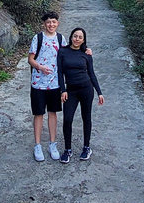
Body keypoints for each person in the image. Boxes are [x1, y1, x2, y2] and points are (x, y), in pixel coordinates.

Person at [27, 11, 91, 162]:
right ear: (45, 23)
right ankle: (37, 145)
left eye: (54, 22)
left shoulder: (61, 39)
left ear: (58, 23)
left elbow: (72, 50)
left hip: (55, 84)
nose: (51, 24)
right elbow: (30, 59)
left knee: (53, 112)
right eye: (48, 22)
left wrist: (87, 50)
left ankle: (52, 144)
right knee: (38, 114)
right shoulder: (38, 38)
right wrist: (40, 67)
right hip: (38, 83)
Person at [57, 27, 104, 163]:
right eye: (75, 36)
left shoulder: (86, 54)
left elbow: (92, 73)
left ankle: (86, 147)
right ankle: (67, 150)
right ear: (71, 37)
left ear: (83, 40)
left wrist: (99, 92)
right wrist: (63, 90)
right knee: (67, 119)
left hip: (86, 88)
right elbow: (60, 73)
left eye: (80, 37)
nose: (77, 39)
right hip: (70, 90)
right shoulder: (63, 52)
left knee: (86, 118)